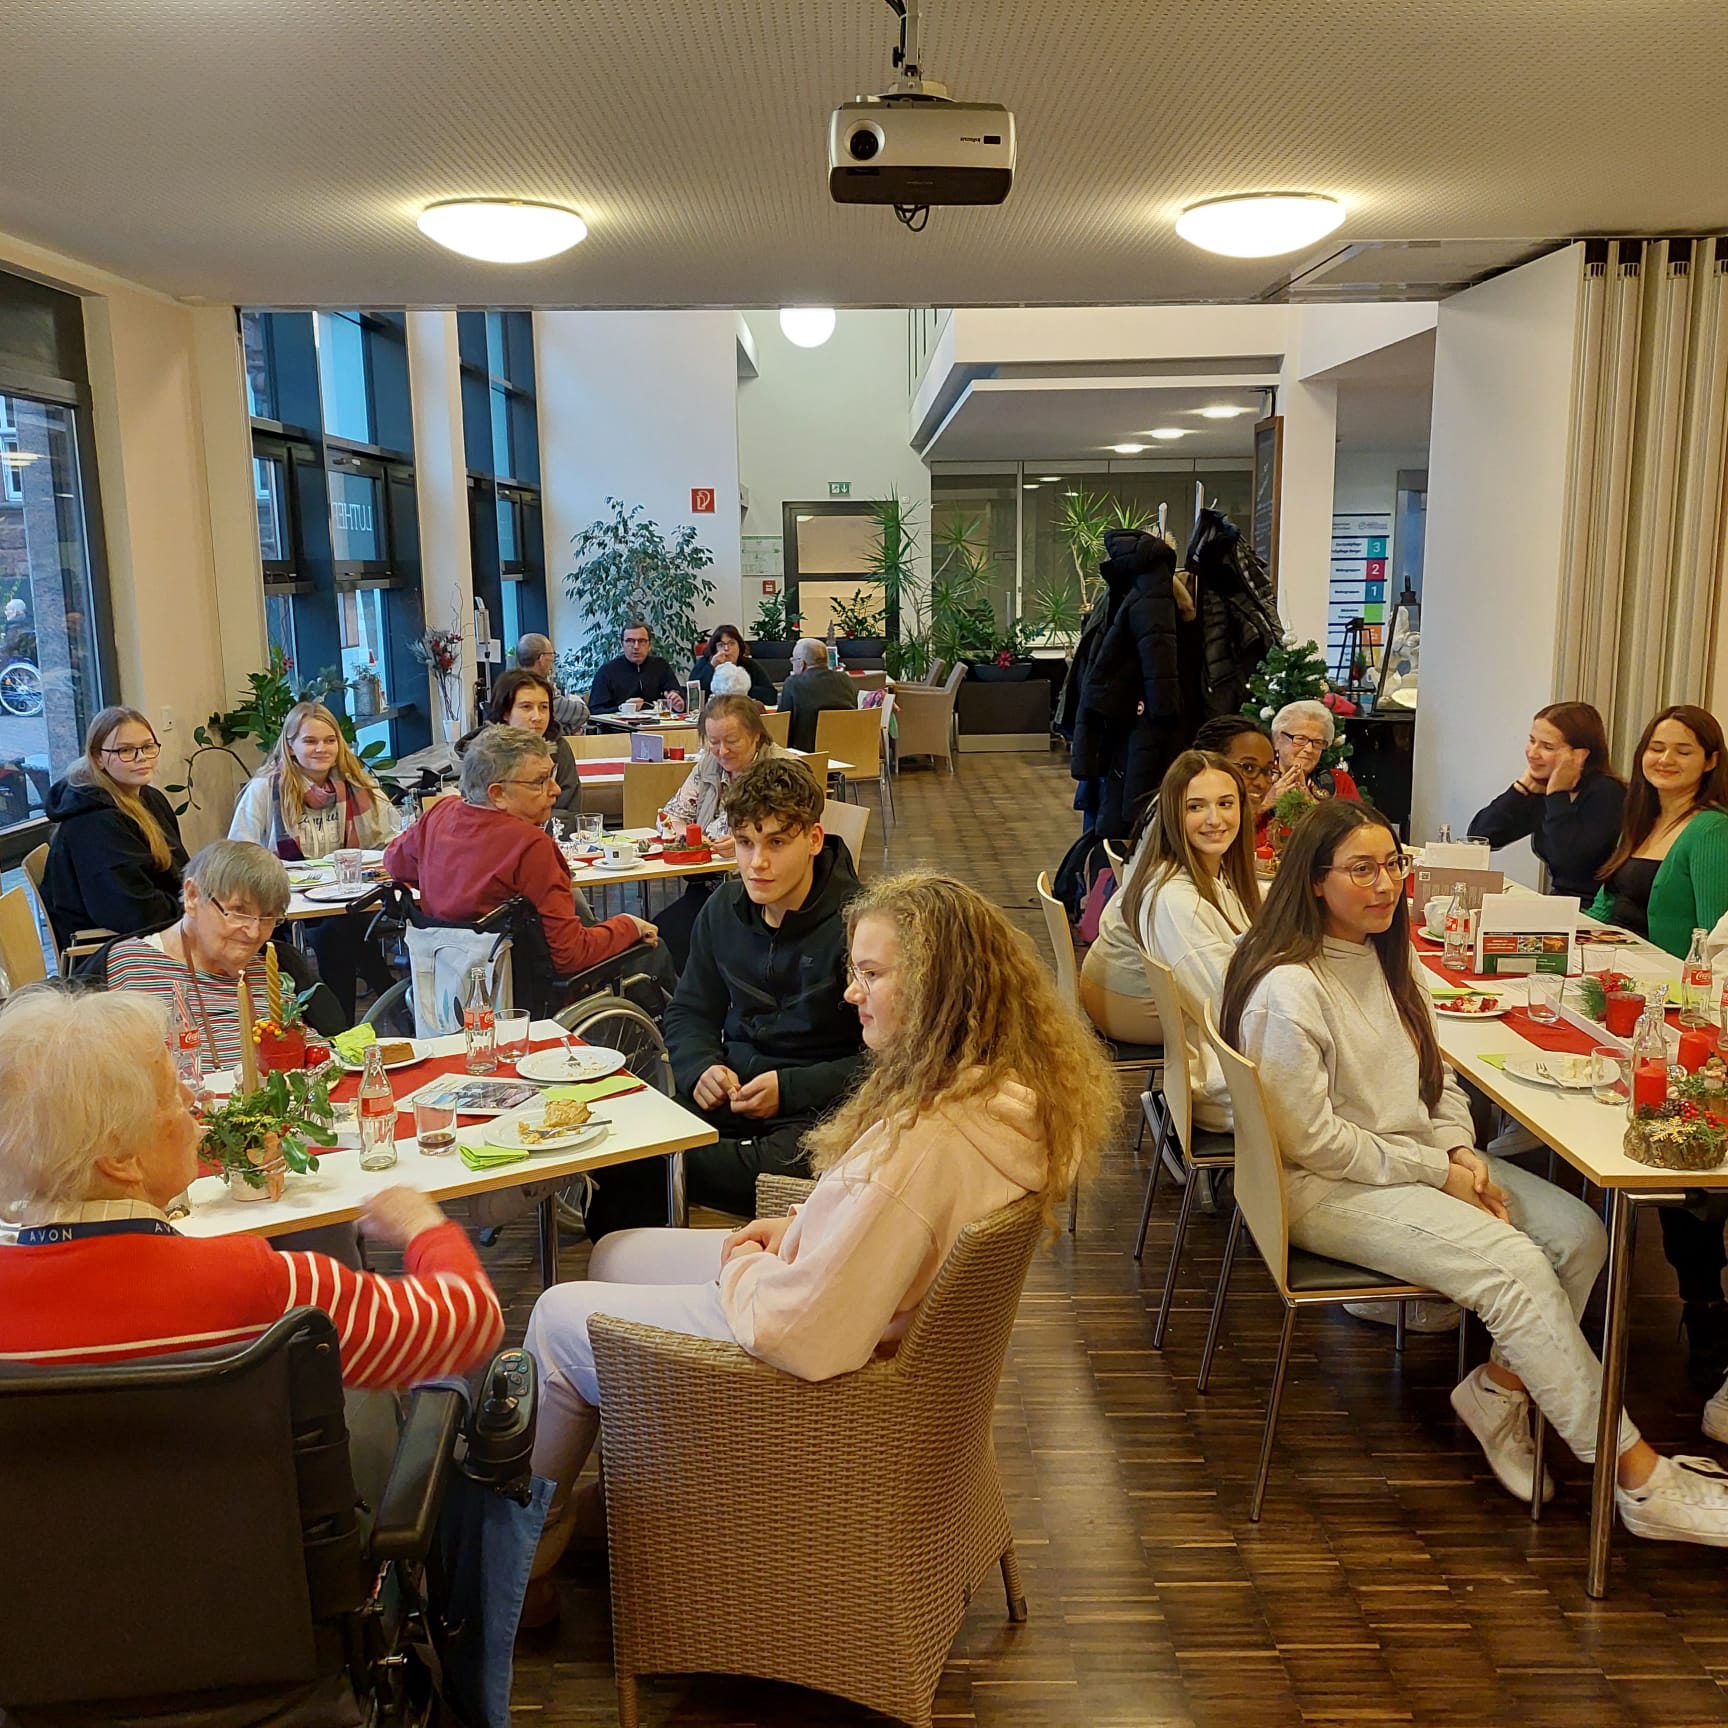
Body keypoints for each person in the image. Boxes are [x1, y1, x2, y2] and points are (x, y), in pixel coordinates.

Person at [519, 871, 1122, 1612]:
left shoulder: (928, 1144)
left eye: (870, 974)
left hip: (822, 1382)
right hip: (854, 1311)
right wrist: (804, 1226)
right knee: (616, 1253)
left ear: (937, 987)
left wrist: (746, 1264)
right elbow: (881, 1227)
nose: (849, 993)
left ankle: (525, 1557)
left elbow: (809, 1333)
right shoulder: (997, 1095)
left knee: (553, 1317)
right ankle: (645, 1478)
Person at [1220, 798, 1728, 1545]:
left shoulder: (1393, 961)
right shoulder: (1291, 988)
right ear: (1316, 881)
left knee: (1581, 1234)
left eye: (1391, 864)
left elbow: (1440, 1080)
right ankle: (1639, 1478)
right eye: (1361, 870)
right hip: (1326, 1188)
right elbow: (1314, 1142)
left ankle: (1498, 1391)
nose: (1385, 884)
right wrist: (1439, 1170)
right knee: (1515, 1264)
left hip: (1415, 1162)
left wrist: (1459, 1151)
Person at [0, 986, 504, 1389]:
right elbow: (469, 1322)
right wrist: (424, 1228)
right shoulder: (263, 1285)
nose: (195, 1105)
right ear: (120, 1158)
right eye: (173, 1096)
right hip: (259, 1517)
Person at [580, 756, 863, 1238]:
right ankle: (657, 1283)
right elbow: (690, 1010)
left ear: (814, 839)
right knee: (619, 1162)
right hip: (731, 1095)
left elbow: (888, 1059)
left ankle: (714, 1250)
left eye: (777, 842)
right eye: (747, 843)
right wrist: (699, 1067)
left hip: (823, 1109)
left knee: (757, 1170)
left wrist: (790, 1089)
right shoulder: (722, 910)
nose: (758, 863)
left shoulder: (861, 924)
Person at [383, 725, 665, 985]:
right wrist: (629, 924)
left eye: (552, 776)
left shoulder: (439, 814)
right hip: (517, 983)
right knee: (653, 950)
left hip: (446, 974)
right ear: (498, 794)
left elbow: (394, 863)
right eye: (540, 781)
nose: (555, 790)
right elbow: (571, 955)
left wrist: (447, 879)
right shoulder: (530, 845)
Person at [1108, 750, 1259, 1128]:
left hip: (1223, 1055)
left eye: (1226, 804)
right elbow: (1229, 1001)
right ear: (1173, 814)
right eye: (1196, 807)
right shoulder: (1177, 900)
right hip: (1228, 1081)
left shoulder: (1211, 874)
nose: (1215, 819)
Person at [228, 700, 400, 1022]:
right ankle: (373, 1007)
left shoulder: (358, 785)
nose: (321, 748)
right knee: (339, 933)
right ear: (290, 747)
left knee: (344, 927)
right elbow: (241, 853)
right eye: (310, 741)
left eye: (329, 740)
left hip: (347, 894)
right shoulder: (266, 789)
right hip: (286, 899)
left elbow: (389, 839)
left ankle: (344, 1025)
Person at [103, 840, 343, 1066]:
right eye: (239, 911)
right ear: (193, 896)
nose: (253, 932)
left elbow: (319, 1050)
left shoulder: (273, 966)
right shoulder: (132, 968)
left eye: (268, 916)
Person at [653, 693, 792, 968]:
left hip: (759, 892)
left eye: (732, 741)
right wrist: (688, 835)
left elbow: (775, 838)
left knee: (675, 936)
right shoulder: (709, 765)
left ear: (755, 736)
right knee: (660, 934)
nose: (722, 751)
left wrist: (742, 844)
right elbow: (669, 815)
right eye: (713, 742)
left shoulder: (779, 773)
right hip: (708, 883)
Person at [43, 706, 188, 951]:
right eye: (125, 750)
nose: (141, 757)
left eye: (148, 747)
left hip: (159, 929)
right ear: (98, 757)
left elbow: (182, 872)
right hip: (111, 952)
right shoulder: (94, 824)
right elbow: (133, 913)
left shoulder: (151, 799)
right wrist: (197, 913)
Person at [1586, 705, 1728, 955]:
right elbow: (1603, 908)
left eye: (1683, 752)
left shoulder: (1711, 828)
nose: (1665, 760)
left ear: (1710, 761)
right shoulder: (1643, 818)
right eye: (1656, 748)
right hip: (1609, 962)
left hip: (1662, 979)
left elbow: (1714, 939)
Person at [1469, 702, 1625, 900]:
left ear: (1579, 755)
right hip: (1557, 905)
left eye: (1547, 746)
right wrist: (1520, 788)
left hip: (1592, 910)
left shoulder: (1607, 792)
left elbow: (1569, 864)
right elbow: (1479, 838)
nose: (1532, 753)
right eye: (1532, 741)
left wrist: (1557, 795)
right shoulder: (1544, 789)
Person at [463, 667, 581, 818]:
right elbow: (474, 810)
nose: (537, 717)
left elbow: (571, 811)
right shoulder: (484, 752)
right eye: (526, 707)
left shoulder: (559, 747)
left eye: (543, 707)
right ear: (506, 712)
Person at [1192, 713, 1279, 842]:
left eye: (1268, 771)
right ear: (1210, 762)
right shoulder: (1183, 818)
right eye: (1248, 768)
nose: (1261, 783)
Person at [1268, 699, 1360, 806]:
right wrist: (1266, 803)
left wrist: (1311, 803)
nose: (1309, 749)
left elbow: (1359, 822)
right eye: (1300, 739)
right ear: (1277, 740)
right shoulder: (1258, 779)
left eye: (1318, 742)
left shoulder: (1340, 782)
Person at [776, 637, 860, 752]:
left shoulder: (793, 683)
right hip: (848, 753)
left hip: (807, 756)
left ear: (802, 663)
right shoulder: (845, 680)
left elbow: (783, 725)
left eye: (793, 660)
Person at [587, 621, 684, 715]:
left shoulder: (661, 666)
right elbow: (595, 710)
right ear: (622, 645)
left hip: (658, 726)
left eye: (641, 641)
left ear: (649, 645)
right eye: (630, 641)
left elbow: (679, 700)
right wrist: (623, 708)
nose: (636, 646)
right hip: (621, 728)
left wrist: (679, 705)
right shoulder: (607, 671)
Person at [516, 631, 589, 733]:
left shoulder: (512, 686)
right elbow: (583, 713)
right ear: (541, 659)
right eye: (551, 654)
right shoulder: (540, 690)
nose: (553, 659)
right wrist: (568, 731)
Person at [691, 622, 776, 705]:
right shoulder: (705, 663)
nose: (726, 649)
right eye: (721, 645)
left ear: (739, 647)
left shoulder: (749, 665)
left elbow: (771, 696)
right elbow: (693, 695)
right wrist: (711, 667)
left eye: (732, 643)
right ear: (715, 649)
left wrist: (741, 688)